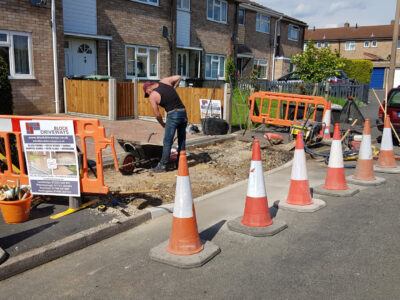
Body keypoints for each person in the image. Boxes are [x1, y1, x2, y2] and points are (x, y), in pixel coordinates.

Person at [143, 75, 187, 172]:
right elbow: (179, 77)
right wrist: (173, 88)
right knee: (182, 139)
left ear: (149, 88)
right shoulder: (164, 81)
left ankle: (162, 165)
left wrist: (162, 123)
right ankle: (181, 163)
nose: (148, 95)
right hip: (183, 113)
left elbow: (157, 114)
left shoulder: (153, 95)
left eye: (147, 93)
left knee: (167, 141)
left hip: (173, 115)